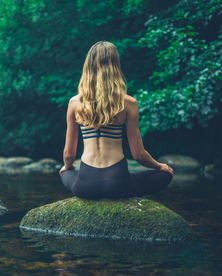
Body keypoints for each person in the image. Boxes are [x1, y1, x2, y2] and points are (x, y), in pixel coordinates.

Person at [60, 41, 174, 199]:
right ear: (115, 66)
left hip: (86, 185)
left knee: (66, 173)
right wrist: (160, 166)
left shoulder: (74, 103)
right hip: (118, 183)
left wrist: (67, 167)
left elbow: (68, 154)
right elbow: (139, 155)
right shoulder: (129, 103)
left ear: (88, 67)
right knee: (165, 175)